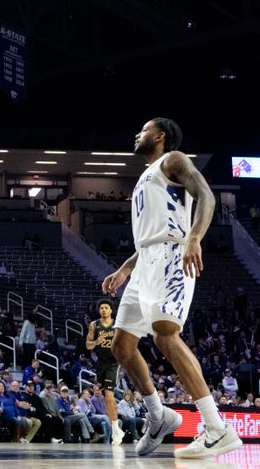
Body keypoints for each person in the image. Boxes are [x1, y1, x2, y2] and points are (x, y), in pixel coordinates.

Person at [102, 117, 242, 459]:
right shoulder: (145, 177)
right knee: (121, 346)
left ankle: (217, 428)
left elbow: (205, 195)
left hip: (172, 256)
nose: (138, 133)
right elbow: (151, 231)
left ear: (160, 136)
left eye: (144, 129)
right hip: (146, 260)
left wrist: (194, 237)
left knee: (166, 334)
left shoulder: (174, 160)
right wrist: (125, 268)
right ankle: (158, 414)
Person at [85, 298, 124, 445]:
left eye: (106, 307)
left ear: (111, 310)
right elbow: (88, 345)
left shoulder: (118, 325)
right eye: (101, 308)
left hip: (113, 363)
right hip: (100, 363)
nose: (103, 310)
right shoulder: (94, 325)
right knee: (105, 396)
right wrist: (96, 342)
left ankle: (115, 430)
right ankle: (115, 426)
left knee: (109, 394)